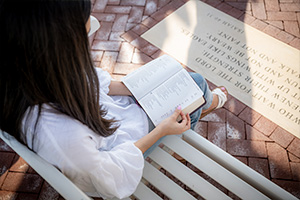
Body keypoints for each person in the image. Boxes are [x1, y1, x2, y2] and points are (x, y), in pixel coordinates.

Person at [0, 0, 227, 198]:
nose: (92, 23)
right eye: (84, 33)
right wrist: (162, 131)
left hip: (111, 117)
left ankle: (202, 104)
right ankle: (207, 107)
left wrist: (146, 88)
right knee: (196, 86)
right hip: (121, 149)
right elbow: (112, 174)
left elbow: (98, 84)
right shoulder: (63, 134)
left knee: (182, 81)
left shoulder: (28, 75)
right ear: (60, 44)